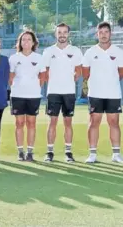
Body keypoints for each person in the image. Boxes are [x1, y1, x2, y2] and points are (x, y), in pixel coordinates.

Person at [81, 21, 123, 163]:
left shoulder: (118, 51)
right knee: (94, 122)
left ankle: (116, 154)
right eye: (101, 32)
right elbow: (85, 73)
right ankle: (92, 154)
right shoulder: (90, 52)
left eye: (106, 32)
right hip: (95, 94)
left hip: (113, 94)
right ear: (97, 34)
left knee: (114, 123)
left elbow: (121, 73)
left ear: (110, 33)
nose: (104, 35)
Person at [41, 23, 83, 163]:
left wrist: (68, 81)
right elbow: (45, 72)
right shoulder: (48, 51)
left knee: (68, 122)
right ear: (56, 34)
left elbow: (79, 71)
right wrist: (55, 81)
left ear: (68, 34)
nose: (62, 35)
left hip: (69, 93)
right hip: (53, 92)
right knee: (52, 122)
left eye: (65, 32)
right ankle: (50, 151)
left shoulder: (76, 51)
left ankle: (68, 152)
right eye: (60, 32)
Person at [9, 30, 46, 162]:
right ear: (20, 42)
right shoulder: (13, 58)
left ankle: (30, 152)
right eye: (23, 39)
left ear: (33, 42)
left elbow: (43, 77)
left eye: (29, 39)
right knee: (19, 123)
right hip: (17, 95)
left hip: (33, 96)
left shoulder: (39, 58)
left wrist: (34, 88)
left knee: (31, 123)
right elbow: (10, 77)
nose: (26, 42)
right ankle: (20, 151)